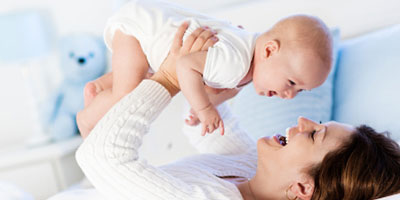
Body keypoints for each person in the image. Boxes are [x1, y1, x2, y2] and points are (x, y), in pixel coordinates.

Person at [74, 23, 400, 200]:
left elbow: (101, 157)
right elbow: (212, 130)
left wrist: (171, 78)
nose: (301, 121)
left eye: (315, 134)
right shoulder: (251, 170)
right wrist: (209, 90)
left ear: (302, 189)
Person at [77, 0, 333, 137]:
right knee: (129, 95)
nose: (289, 95)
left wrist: (203, 107)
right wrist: (204, 108)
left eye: (299, 91)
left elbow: (218, 89)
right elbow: (186, 65)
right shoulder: (235, 63)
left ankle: (101, 87)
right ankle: (87, 119)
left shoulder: (248, 64)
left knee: (141, 75)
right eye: (291, 82)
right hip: (138, 30)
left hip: (151, 29)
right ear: (269, 50)